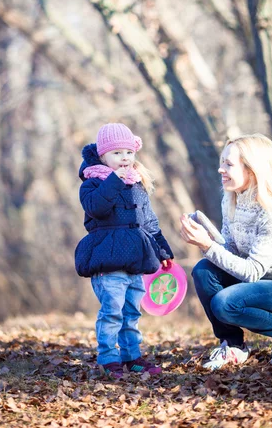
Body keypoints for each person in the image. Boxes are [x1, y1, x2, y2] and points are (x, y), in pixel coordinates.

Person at [180, 133, 272, 371]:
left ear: (253, 171)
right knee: (203, 270)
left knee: (225, 303)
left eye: (229, 164)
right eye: (222, 162)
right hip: (256, 283)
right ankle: (233, 345)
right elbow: (231, 250)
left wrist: (207, 246)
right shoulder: (231, 199)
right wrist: (208, 238)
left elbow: (252, 271)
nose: (220, 169)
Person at [75, 123, 174, 378]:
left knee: (131, 312)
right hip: (108, 262)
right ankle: (108, 359)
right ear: (103, 156)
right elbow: (96, 208)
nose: (124, 158)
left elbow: (149, 221)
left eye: (128, 152)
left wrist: (162, 251)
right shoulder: (92, 184)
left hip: (135, 261)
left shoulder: (137, 185)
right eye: (117, 153)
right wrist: (113, 181)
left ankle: (132, 357)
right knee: (112, 312)